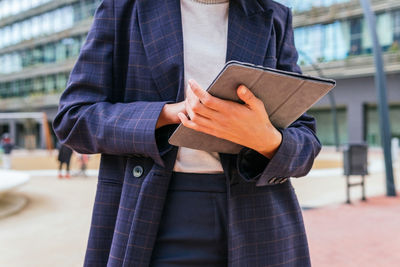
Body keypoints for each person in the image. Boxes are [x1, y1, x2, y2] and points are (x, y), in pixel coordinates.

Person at [53, 0, 321, 266]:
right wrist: (168, 114)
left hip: (260, 222)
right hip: (153, 214)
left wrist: (265, 139)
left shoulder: (273, 15)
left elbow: (306, 142)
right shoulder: (122, 8)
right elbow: (74, 119)